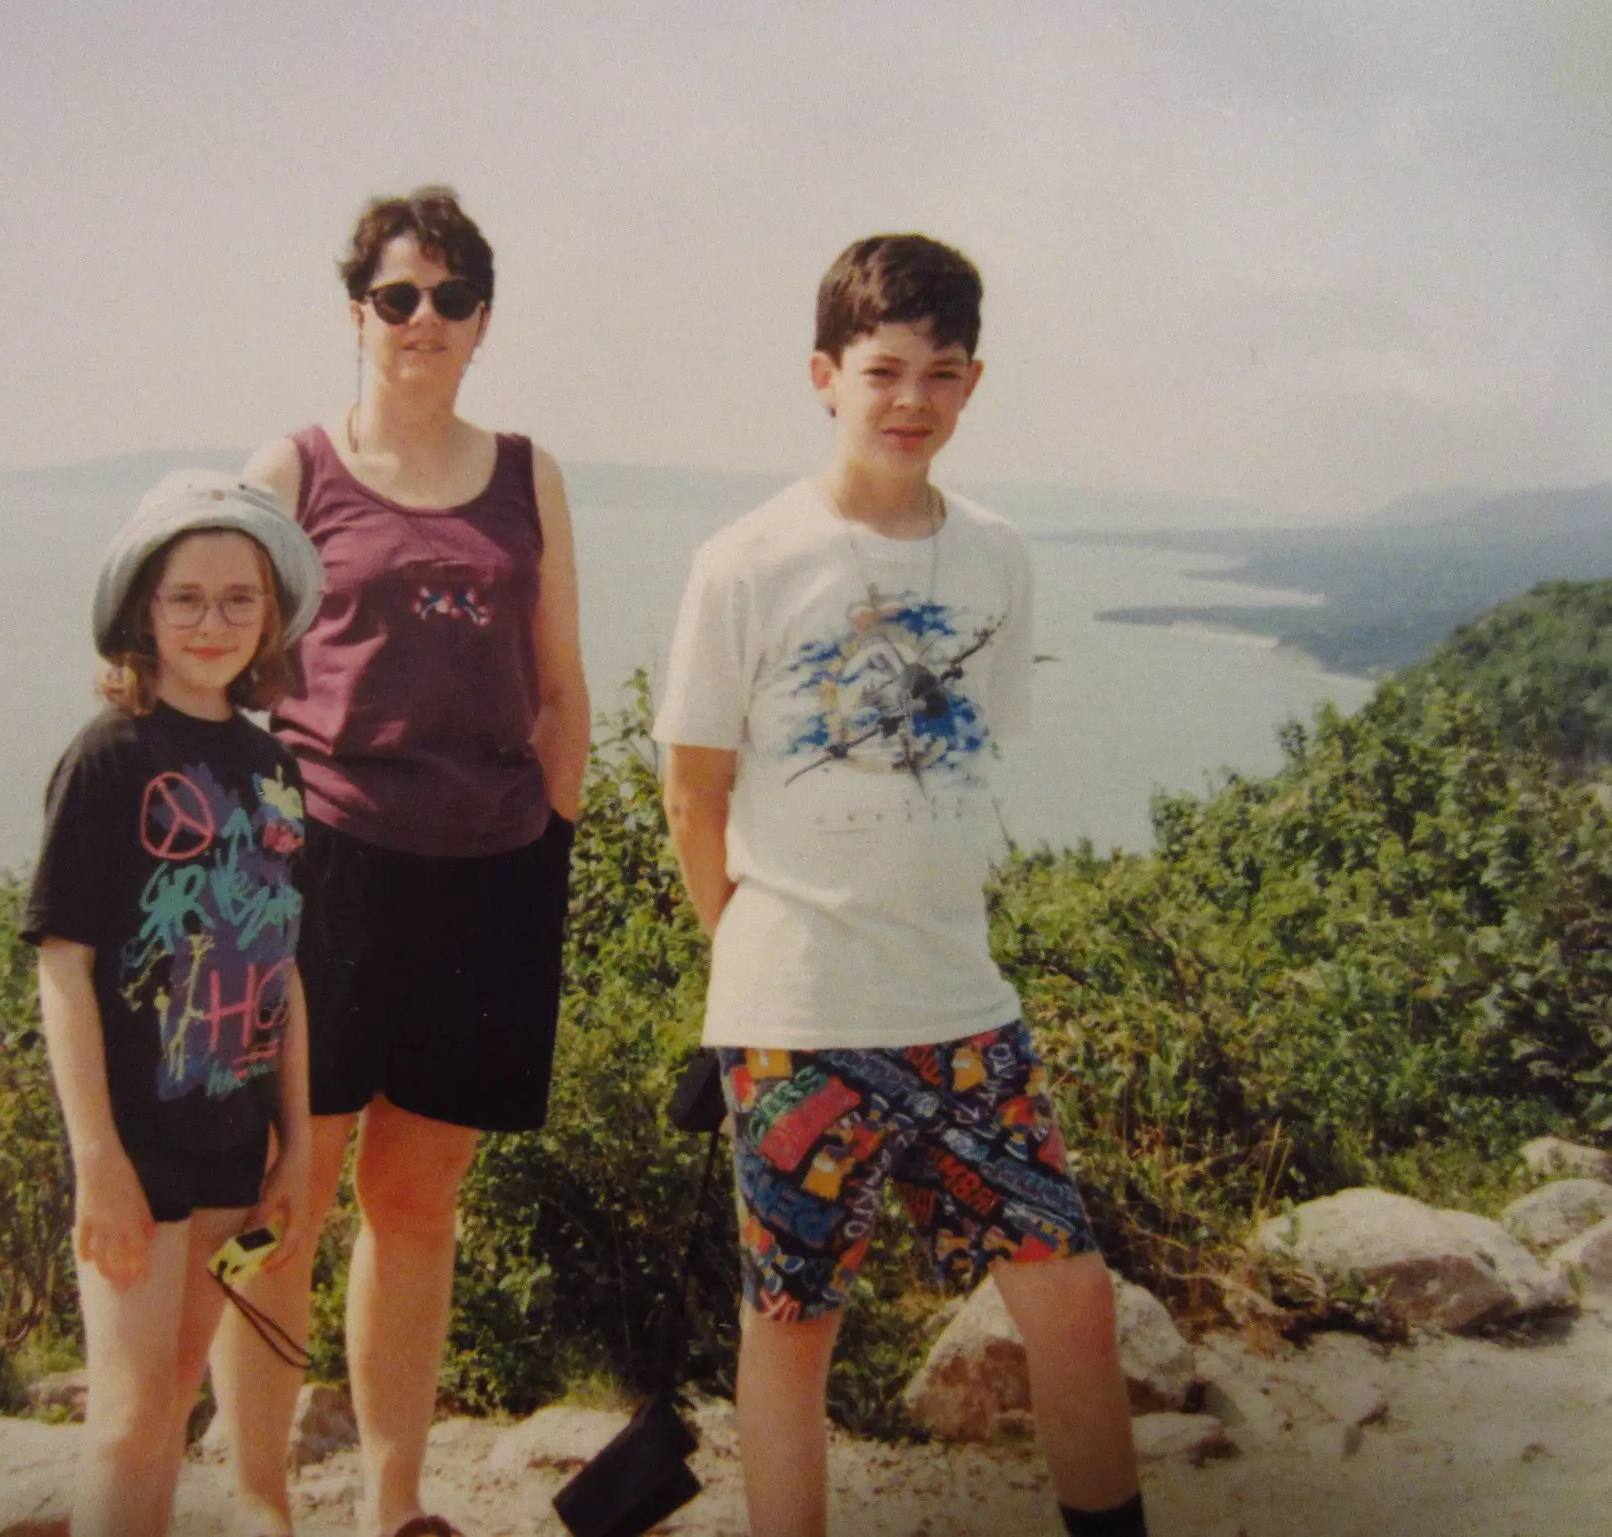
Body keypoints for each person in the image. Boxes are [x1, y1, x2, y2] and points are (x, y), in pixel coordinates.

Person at [655, 235, 1147, 1537]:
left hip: (958, 1003)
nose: (909, 400)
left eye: (939, 372)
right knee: (793, 1320)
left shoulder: (995, 553)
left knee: (1072, 1295)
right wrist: (745, 974)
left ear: (972, 381)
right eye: (881, 370)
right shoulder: (745, 559)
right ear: (823, 374)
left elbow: (960, 771)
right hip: (798, 1012)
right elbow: (692, 795)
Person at [209, 186, 591, 1537]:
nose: (418, 320)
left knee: (416, 1201)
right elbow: (216, 670)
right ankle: (260, 1502)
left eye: (445, 297)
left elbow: (561, 692)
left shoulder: (525, 473)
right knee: (283, 1201)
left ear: (480, 319)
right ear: (356, 311)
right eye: (393, 296)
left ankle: (392, 1500)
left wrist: (545, 847)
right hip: (324, 874)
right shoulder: (290, 472)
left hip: (488, 875)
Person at [23, 472, 326, 1537]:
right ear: (140, 614)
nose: (213, 622)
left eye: (239, 598)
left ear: (272, 615)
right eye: (185, 598)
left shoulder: (275, 767)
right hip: (138, 1150)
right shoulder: (109, 757)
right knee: (129, 1413)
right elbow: (63, 964)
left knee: (180, 1390)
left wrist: (293, 1148)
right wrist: (95, 1157)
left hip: (233, 1145)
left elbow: (281, 962)